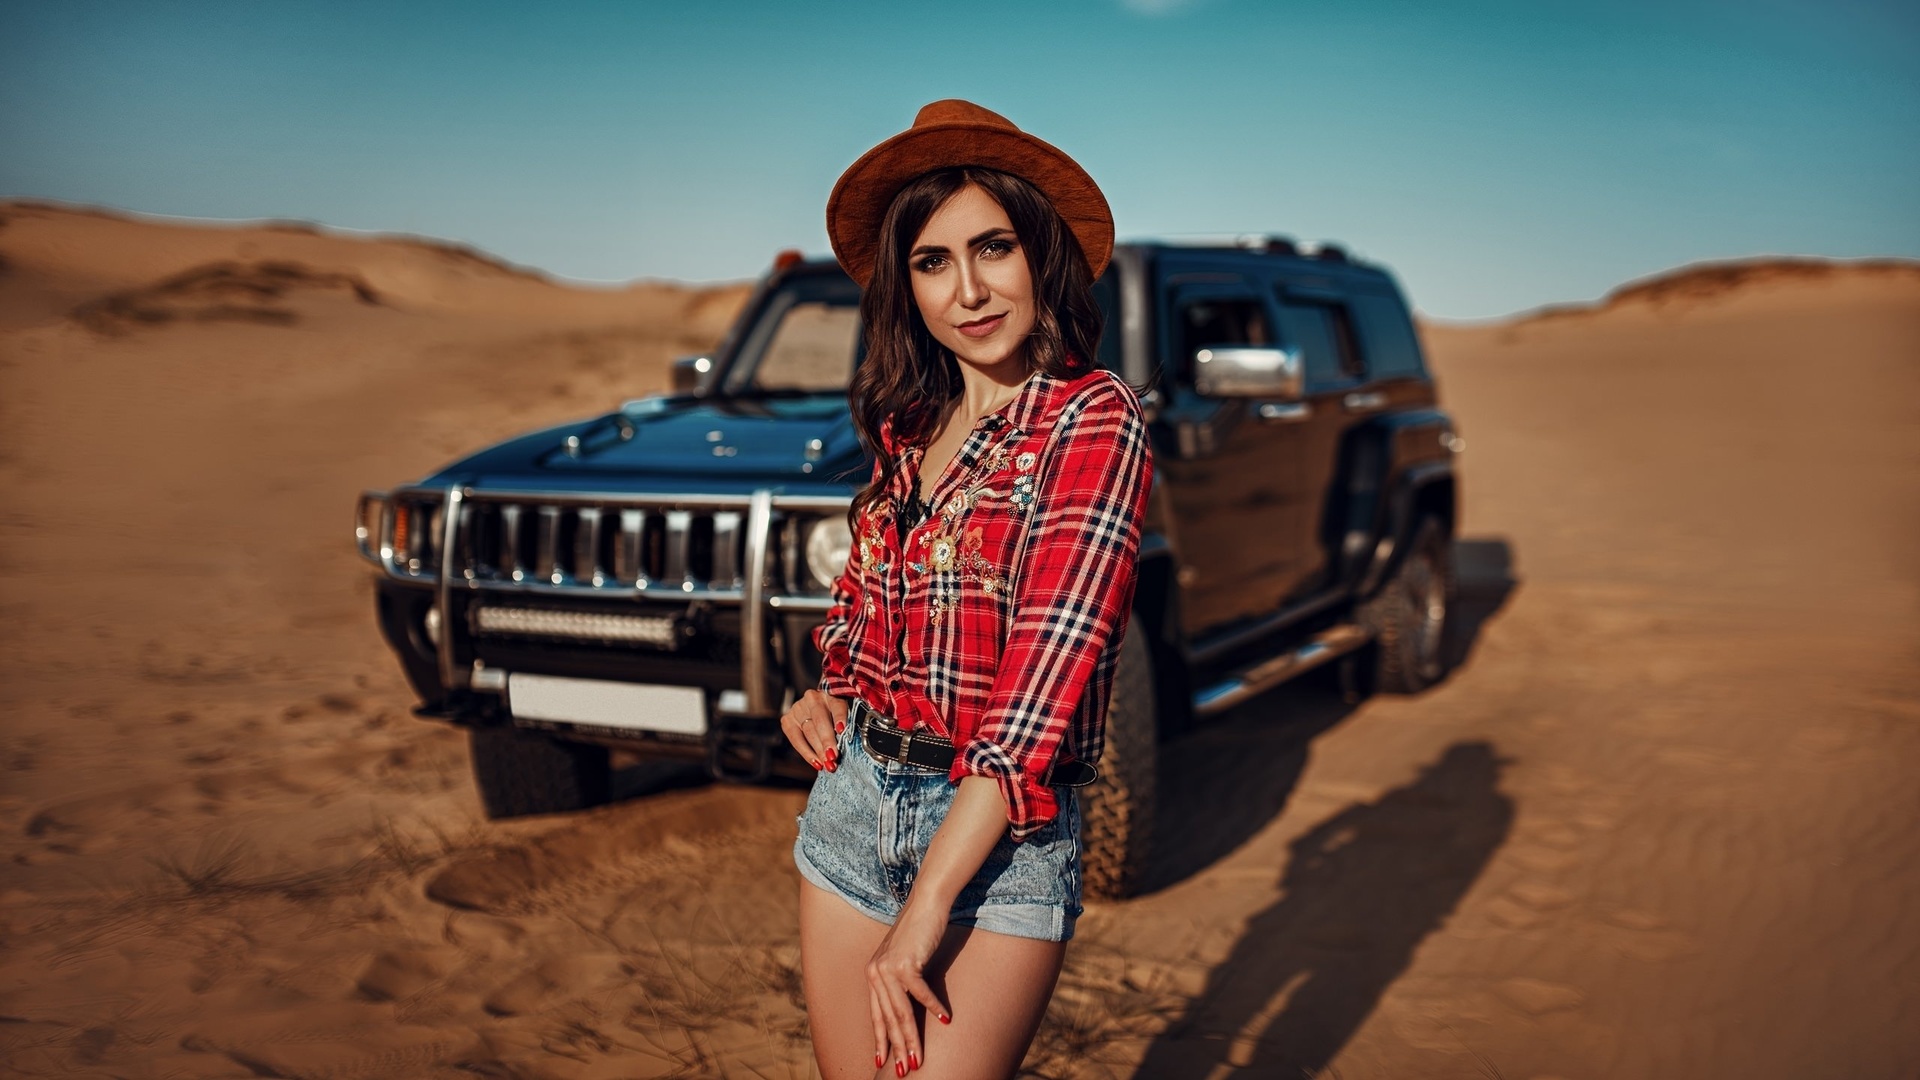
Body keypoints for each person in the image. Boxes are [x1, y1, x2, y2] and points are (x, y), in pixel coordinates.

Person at [779, 99, 1154, 1079]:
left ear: (1041, 256)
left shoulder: (1093, 421)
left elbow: (1037, 699)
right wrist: (830, 693)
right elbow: (862, 615)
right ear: (906, 287)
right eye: (932, 262)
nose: (970, 290)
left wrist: (925, 911)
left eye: (994, 249)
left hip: (999, 846)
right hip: (852, 808)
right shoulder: (908, 423)